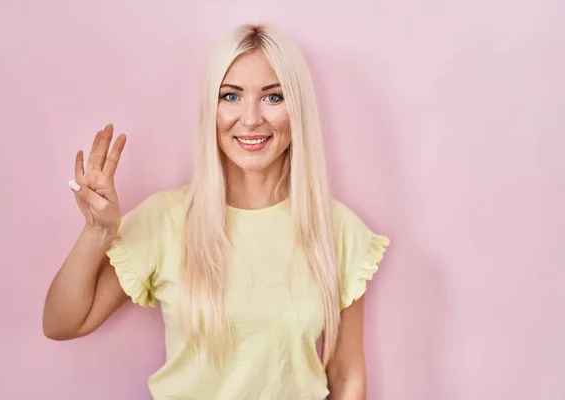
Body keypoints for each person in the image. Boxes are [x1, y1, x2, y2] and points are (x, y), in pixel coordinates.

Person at [42, 23, 390, 400]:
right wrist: (97, 232)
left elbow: (346, 374)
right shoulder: (165, 219)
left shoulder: (337, 230)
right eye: (231, 96)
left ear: (297, 109)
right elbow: (62, 323)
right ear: (212, 107)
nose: (251, 118)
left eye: (273, 97)